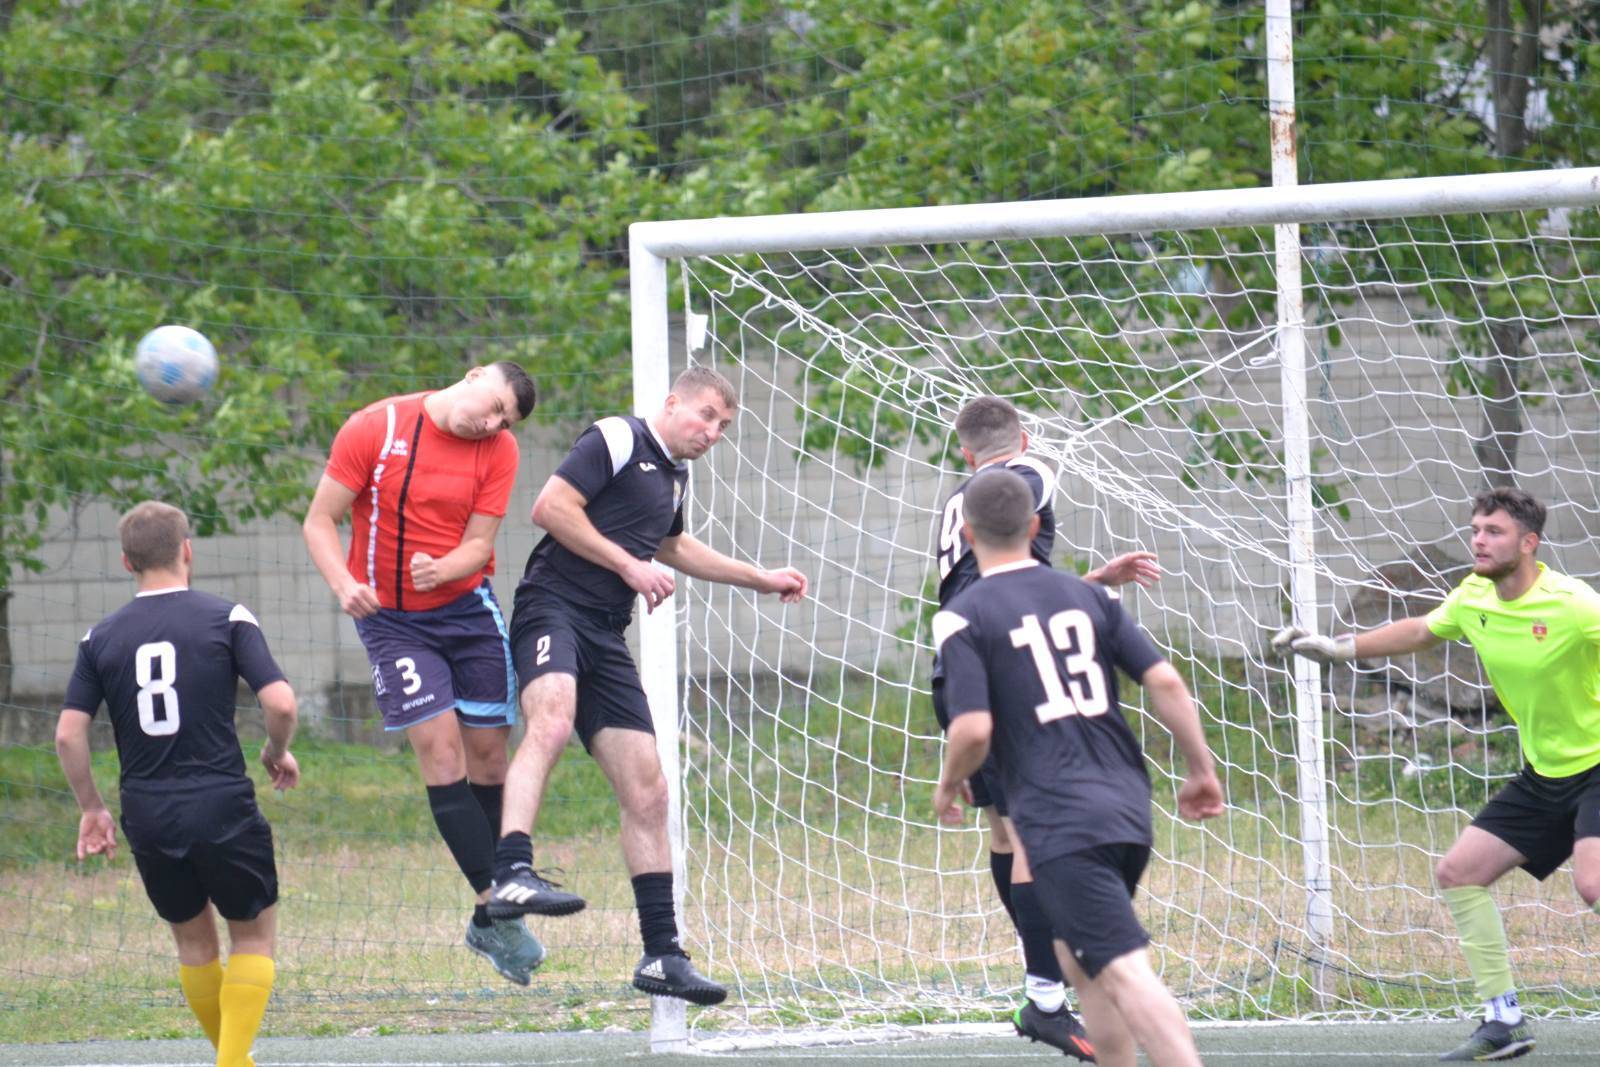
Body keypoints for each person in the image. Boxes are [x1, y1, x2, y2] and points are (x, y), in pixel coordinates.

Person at [487, 364, 807, 1006]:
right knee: (551, 720)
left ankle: (662, 954)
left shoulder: (673, 476)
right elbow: (551, 508)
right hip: (551, 609)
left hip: (606, 632)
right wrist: (630, 565)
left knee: (650, 791)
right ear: (672, 403)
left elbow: (674, 547)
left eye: (723, 426)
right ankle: (511, 871)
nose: (713, 432)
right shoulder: (617, 436)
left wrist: (761, 578)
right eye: (706, 416)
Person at [1274, 487, 1599, 1062]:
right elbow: (1421, 631)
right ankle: (1503, 1021)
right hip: (1546, 774)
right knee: (1459, 873)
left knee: (1593, 884)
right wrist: (1339, 648)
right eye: (1476, 529)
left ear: (1529, 543)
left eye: (1494, 532)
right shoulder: (1474, 595)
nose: (1479, 540)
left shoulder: (1572, 604)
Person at [932, 468, 1224, 1067]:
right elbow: (1166, 681)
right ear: (1035, 525)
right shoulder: (1091, 596)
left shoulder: (962, 616)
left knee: (1123, 967)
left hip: (1061, 816)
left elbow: (974, 728)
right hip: (1125, 802)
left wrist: (949, 780)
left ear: (966, 534)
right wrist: (1201, 768)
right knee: (1079, 960)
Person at [302, 361, 543, 984]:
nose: (492, 424)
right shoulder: (375, 427)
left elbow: (479, 544)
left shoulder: (500, 451)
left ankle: (489, 918)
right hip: (392, 622)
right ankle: (498, 904)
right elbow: (319, 520)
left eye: (505, 421)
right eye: (494, 407)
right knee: (441, 754)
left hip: (466, 611)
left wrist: (445, 568)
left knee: (489, 758)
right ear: (472, 376)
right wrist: (344, 584)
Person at [56, 501, 300, 1067]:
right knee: (253, 938)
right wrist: (275, 751)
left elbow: (68, 735)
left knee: (194, 945)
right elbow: (282, 704)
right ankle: (233, 1062)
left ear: (126, 562)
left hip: (148, 812)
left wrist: (92, 807)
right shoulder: (228, 618)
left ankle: (233, 1060)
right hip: (221, 803)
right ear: (187, 550)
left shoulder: (99, 638)